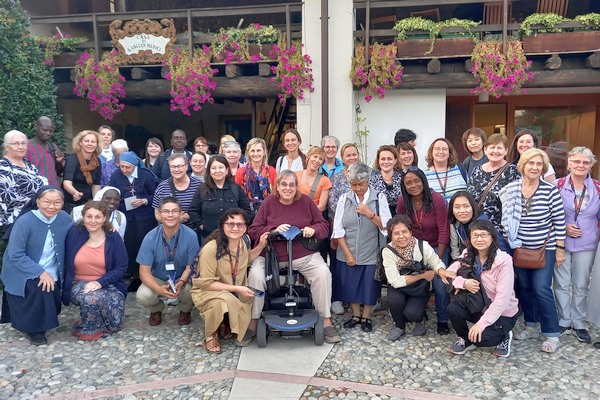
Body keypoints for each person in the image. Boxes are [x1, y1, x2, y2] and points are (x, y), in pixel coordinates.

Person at [247, 171, 341, 343]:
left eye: (292, 185)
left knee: (322, 273)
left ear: (297, 187)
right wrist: (272, 231)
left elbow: (323, 226)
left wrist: (313, 230)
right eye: (284, 184)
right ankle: (253, 321)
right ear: (277, 186)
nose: (288, 188)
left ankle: (325, 319)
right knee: (255, 276)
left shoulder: (305, 202)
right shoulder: (268, 203)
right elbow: (253, 230)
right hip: (271, 255)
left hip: (301, 253)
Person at [500, 148, 566, 353]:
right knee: (525, 288)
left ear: (543, 168)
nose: (535, 168)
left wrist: (560, 249)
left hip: (544, 248)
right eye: (531, 163)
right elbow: (504, 217)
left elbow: (559, 221)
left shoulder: (550, 190)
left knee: (542, 289)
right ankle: (530, 325)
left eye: (539, 165)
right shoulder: (510, 189)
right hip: (518, 248)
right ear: (523, 166)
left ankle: (552, 333)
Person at [0, 186, 73, 345]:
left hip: (53, 268)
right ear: (37, 201)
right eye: (46, 201)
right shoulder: (25, 222)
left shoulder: (65, 219)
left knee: (49, 288)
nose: (51, 206)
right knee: (40, 288)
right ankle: (35, 329)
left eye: (57, 202)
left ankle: (42, 322)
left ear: (62, 203)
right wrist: (40, 272)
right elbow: (15, 254)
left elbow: (78, 236)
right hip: (22, 269)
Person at [191, 209, 268, 353]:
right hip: (210, 291)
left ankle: (225, 322)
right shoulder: (211, 248)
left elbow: (247, 259)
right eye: (230, 224)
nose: (235, 228)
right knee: (221, 303)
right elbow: (206, 283)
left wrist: (261, 246)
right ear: (222, 226)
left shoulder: (244, 241)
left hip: (233, 290)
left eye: (240, 224)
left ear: (245, 227)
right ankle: (210, 335)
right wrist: (237, 289)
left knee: (251, 302)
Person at [442, 220, 519, 357]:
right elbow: (448, 275)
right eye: (475, 235)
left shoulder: (503, 261)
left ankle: (505, 336)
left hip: (503, 313)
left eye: (483, 235)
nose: (479, 239)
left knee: (481, 340)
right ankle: (465, 339)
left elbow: (502, 299)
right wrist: (463, 283)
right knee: (452, 308)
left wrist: (481, 324)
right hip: (477, 306)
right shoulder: (467, 254)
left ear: (492, 237)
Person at [333, 163, 391, 332]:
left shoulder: (379, 197)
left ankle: (366, 316)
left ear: (368, 181)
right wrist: (347, 253)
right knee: (351, 284)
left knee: (369, 286)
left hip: (371, 250)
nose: (357, 188)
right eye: (354, 185)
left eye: (361, 184)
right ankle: (356, 315)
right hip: (347, 249)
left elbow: (386, 226)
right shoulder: (344, 199)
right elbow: (338, 229)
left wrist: (370, 214)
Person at [553, 147, 600, 344]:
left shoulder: (597, 187)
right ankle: (564, 320)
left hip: (587, 243)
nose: (581, 166)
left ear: (591, 165)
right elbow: (549, 213)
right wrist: (564, 227)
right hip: (560, 242)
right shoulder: (557, 185)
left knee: (581, 284)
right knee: (561, 283)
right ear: (569, 163)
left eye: (585, 162)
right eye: (577, 162)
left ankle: (578, 321)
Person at [397, 167, 451, 335]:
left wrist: (437, 261)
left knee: (440, 284)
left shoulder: (436, 199)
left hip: (436, 247)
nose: (413, 185)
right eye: (408, 183)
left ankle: (443, 319)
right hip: (413, 247)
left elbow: (444, 230)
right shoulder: (402, 201)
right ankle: (414, 313)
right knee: (411, 279)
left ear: (423, 181)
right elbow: (400, 227)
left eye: (417, 181)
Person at [63, 200, 128, 341]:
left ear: (104, 218)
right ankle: (91, 329)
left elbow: (121, 267)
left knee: (115, 325)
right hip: (78, 283)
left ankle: (91, 321)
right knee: (91, 298)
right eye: (89, 216)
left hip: (108, 283)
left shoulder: (113, 237)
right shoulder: (74, 233)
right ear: (83, 217)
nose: (93, 221)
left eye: (98, 217)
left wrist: (99, 282)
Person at [136, 197, 200, 326]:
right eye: (166, 211)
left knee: (189, 291)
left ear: (181, 214)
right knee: (143, 295)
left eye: (174, 211)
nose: (170, 215)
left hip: (181, 278)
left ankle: (185, 310)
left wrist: (181, 282)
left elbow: (190, 266)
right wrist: (158, 289)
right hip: (158, 277)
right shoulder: (149, 237)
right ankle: (157, 309)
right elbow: (144, 272)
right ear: (159, 215)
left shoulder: (191, 236)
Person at [382, 215, 445, 341]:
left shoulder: (423, 246)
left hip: (419, 288)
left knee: (412, 313)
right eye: (396, 233)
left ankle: (419, 319)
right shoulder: (388, 251)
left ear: (411, 232)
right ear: (391, 235)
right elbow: (395, 281)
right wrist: (423, 275)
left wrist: (442, 272)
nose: (401, 236)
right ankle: (399, 326)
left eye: (404, 232)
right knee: (394, 301)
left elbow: (437, 264)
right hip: (399, 286)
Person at [109, 151, 158, 292]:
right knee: (130, 245)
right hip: (126, 216)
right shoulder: (116, 175)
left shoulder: (146, 175)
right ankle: (134, 275)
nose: (124, 170)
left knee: (144, 245)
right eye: (122, 167)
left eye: (127, 167)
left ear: (134, 166)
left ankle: (147, 274)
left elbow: (155, 194)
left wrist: (144, 200)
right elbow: (112, 193)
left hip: (145, 217)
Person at [467, 134, 519, 252]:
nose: (495, 151)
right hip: (478, 230)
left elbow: (516, 203)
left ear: (506, 151)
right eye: (492, 147)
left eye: (500, 148)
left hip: (500, 232)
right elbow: (469, 198)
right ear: (485, 149)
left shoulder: (513, 171)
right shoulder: (477, 170)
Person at [327, 143, 361, 315]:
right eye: (348, 155)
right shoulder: (337, 177)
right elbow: (332, 203)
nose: (352, 157)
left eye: (354, 154)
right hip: (340, 226)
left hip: (364, 227)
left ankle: (361, 297)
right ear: (343, 158)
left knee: (362, 262)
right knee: (338, 263)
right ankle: (337, 297)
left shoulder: (366, 173)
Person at [189, 155, 252, 241]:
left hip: (233, 238)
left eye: (221, 167)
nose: (217, 171)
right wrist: (201, 225)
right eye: (214, 168)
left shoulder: (236, 189)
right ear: (209, 171)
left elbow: (247, 211)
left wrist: (239, 227)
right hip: (208, 237)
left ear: (226, 170)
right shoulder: (202, 189)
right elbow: (193, 210)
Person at [1, 130, 48, 238]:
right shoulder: (3, 167)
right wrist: (40, 202)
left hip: (36, 215)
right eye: (16, 143)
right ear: (6, 147)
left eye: (23, 143)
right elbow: (9, 196)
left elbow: (44, 182)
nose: (21, 146)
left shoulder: (27, 164)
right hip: (15, 220)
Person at [152, 153, 202, 228]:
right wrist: (175, 219)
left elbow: (205, 211)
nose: (176, 169)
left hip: (193, 232)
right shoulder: (162, 187)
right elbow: (157, 214)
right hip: (169, 231)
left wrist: (191, 216)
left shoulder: (199, 186)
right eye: (173, 166)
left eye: (179, 166)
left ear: (186, 166)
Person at [62, 130, 102, 213]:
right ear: (80, 143)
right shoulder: (72, 159)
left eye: (93, 142)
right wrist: (75, 193)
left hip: (88, 203)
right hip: (71, 203)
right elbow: (66, 183)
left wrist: (96, 202)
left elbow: (96, 185)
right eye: (86, 141)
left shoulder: (97, 161)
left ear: (97, 145)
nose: (90, 144)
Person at [235, 138, 276, 213]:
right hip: (247, 212)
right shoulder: (241, 172)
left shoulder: (271, 171)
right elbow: (238, 196)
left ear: (264, 152)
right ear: (248, 153)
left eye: (259, 150)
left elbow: (275, 194)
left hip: (269, 211)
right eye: (253, 151)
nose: (256, 154)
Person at [424, 138, 467, 205]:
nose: (441, 152)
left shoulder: (460, 169)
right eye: (437, 149)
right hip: (437, 214)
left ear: (449, 152)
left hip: (460, 213)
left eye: (444, 149)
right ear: (431, 152)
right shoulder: (424, 175)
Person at [25, 116, 64, 186]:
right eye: (44, 130)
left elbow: (59, 172)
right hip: (36, 191)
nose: (48, 133)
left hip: (54, 189)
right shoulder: (25, 147)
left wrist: (59, 162)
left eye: (51, 131)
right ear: (36, 127)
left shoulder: (53, 146)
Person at [369, 145, 402, 217]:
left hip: (400, 218)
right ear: (378, 161)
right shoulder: (371, 181)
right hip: (378, 219)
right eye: (383, 159)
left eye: (389, 159)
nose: (386, 162)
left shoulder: (402, 179)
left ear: (395, 161)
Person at [448, 191, 481, 262]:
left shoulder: (482, 223)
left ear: (473, 207)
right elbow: (455, 249)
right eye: (457, 207)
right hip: (466, 260)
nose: (462, 211)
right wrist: (458, 263)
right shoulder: (454, 225)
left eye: (466, 206)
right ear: (452, 211)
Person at [296, 146, 331, 212]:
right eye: (315, 157)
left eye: (320, 159)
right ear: (308, 158)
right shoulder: (295, 175)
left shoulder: (324, 181)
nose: (317, 160)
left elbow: (322, 206)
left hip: (312, 216)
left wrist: (306, 213)